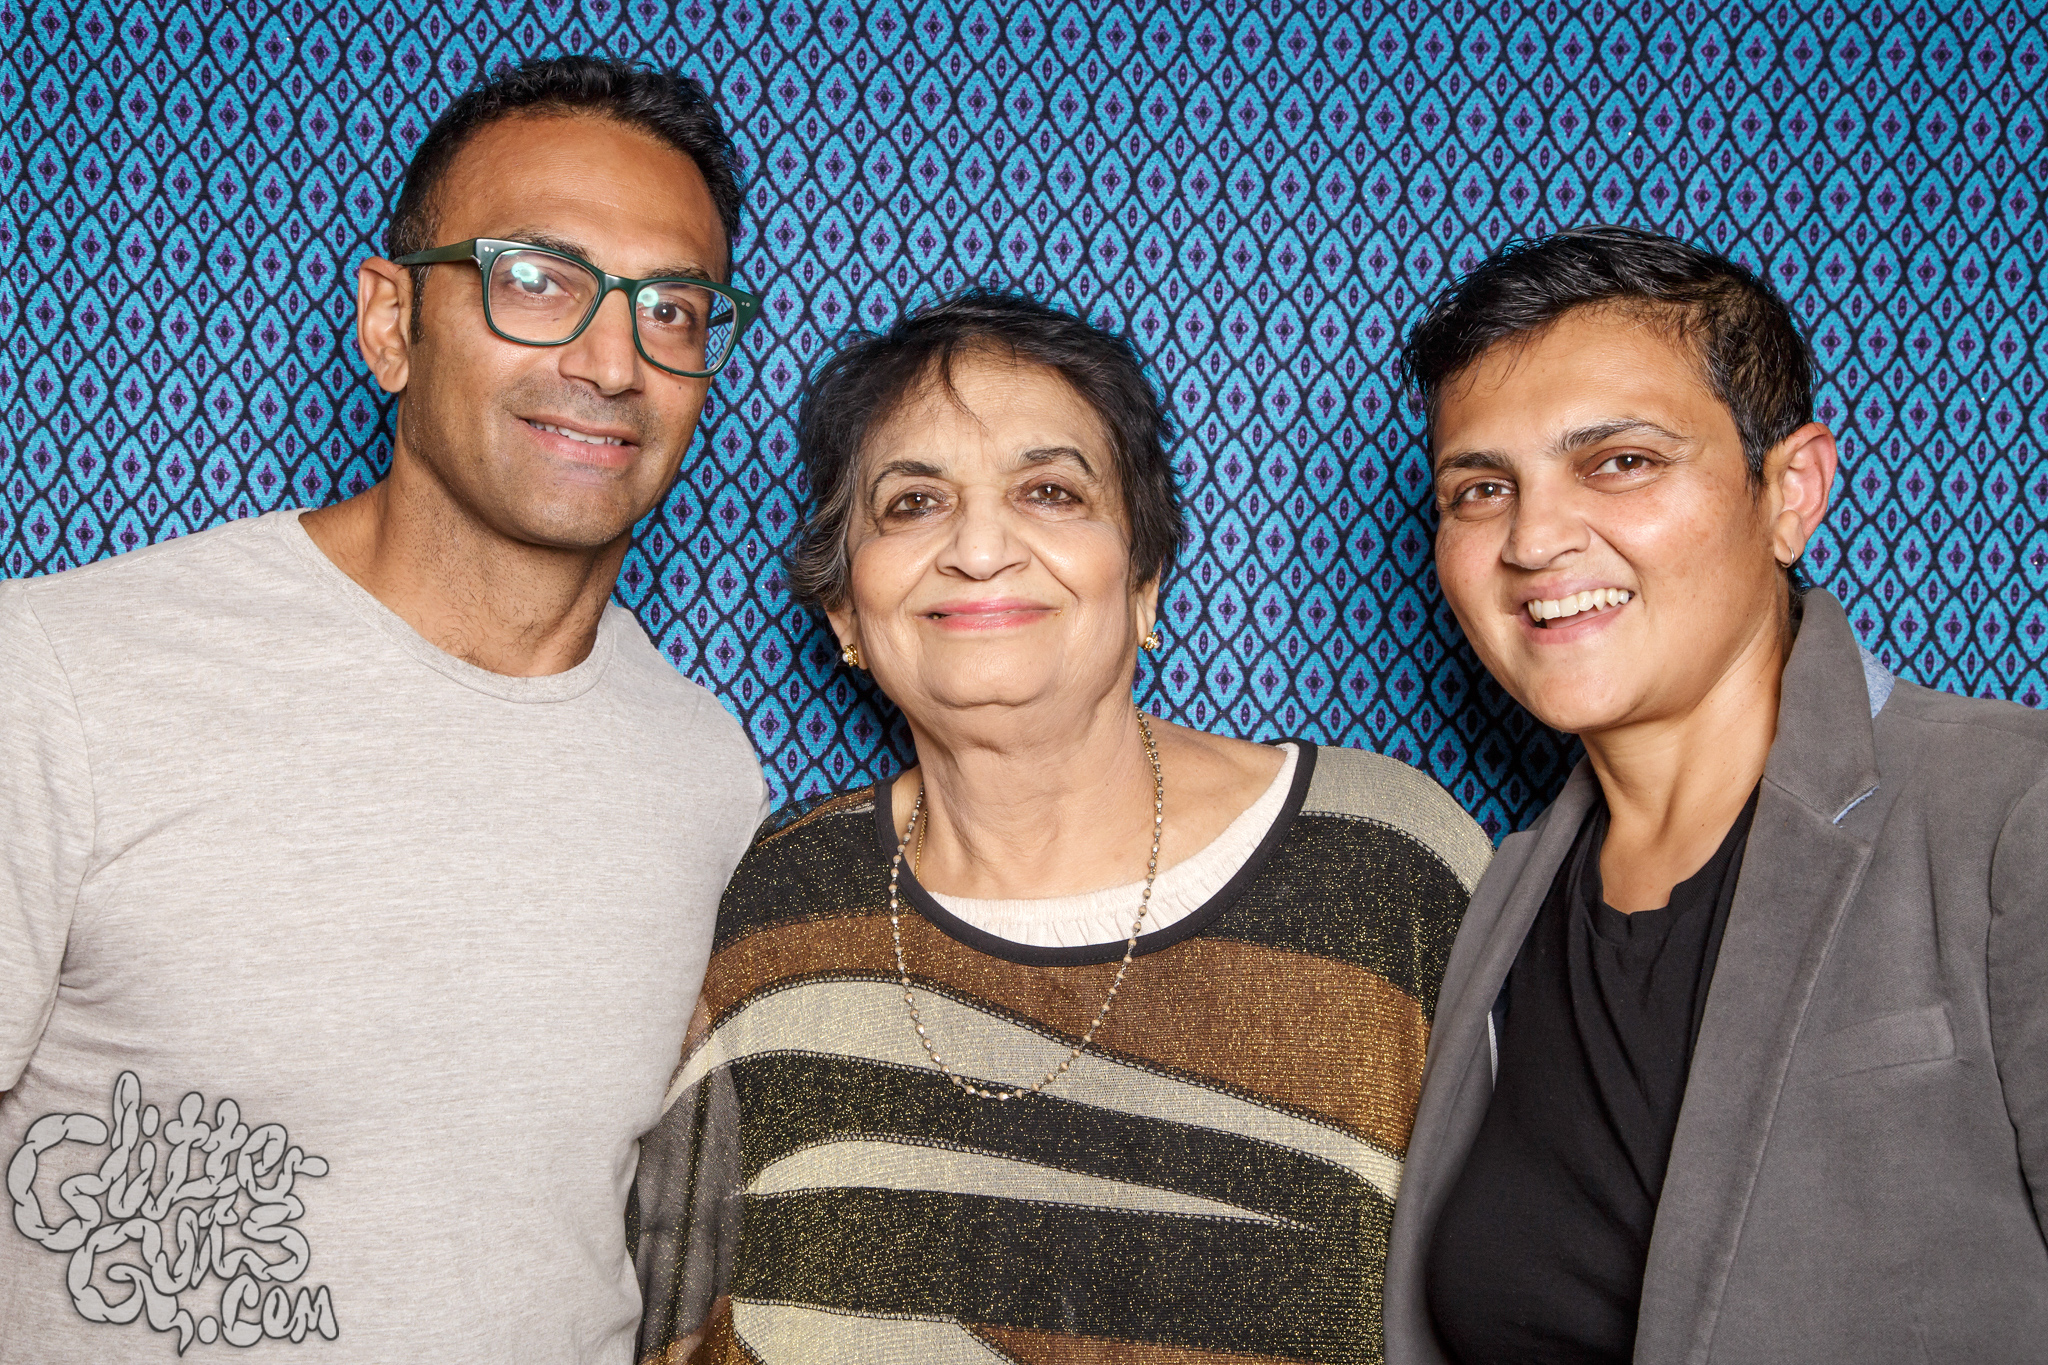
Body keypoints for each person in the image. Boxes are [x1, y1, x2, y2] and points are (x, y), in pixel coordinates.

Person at [1, 56, 767, 1362]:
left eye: (672, 309)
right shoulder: (65, 672)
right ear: (391, 322)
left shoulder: (705, 772)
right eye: (537, 280)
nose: (611, 360)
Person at [628, 291, 1493, 1365]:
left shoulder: (1384, 860)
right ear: (845, 608)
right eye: (912, 504)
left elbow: (1526, 1288)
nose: (979, 547)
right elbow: (670, 1306)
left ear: (1144, 578)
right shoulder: (777, 899)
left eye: (1049, 491)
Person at [1381, 226, 2048, 1363]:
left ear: (1790, 492)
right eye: (1480, 489)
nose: (1533, 539)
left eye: (1620, 462)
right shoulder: (1497, 903)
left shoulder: (2009, 811)